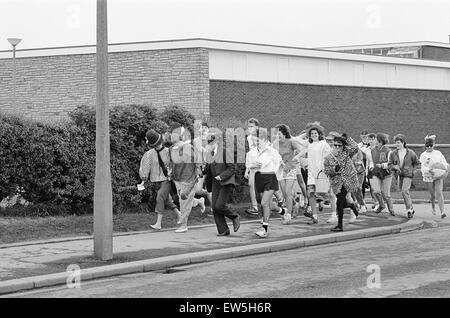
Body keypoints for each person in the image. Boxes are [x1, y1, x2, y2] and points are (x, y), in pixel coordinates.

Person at [139, 129, 182, 230]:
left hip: (166, 179)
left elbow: (174, 164)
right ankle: (180, 214)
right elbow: (145, 167)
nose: (157, 145)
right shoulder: (149, 154)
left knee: (160, 197)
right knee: (167, 200)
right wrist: (143, 177)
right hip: (156, 180)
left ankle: (158, 224)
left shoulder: (168, 152)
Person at [247, 128, 284, 238]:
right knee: (268, 204)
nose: (255, 143)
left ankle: (264, 229)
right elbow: (248, 165)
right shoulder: (251, 152)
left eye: (257, 140)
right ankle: (282, 211)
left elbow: (279, 163)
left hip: (270, 177)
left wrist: (275, 171)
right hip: (259, 177)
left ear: (264, 139)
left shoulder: (272, 151)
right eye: (254, 141)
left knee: (264, 203)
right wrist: (253, 166)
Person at [204, 133, 241, 236]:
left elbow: (232, 167)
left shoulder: (225, 151)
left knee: (220, 205)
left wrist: (221, 176)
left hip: (226, 182)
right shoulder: (210, 153)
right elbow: (210, 168)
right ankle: (223, 230)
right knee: (215, 207)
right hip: (215, 183)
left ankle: (234, 216)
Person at [323, 133, 360, 232]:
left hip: (348, 180)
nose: (337, 147)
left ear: (343, 146)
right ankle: (351, 205)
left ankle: (340, 225)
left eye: (339, 145)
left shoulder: (347, 153)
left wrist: (347, 138)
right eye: (335, 145)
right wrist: (334, 169)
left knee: (339, 201)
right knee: (343, 204)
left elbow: (355, 147)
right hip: (336, 182)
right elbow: (326, 171)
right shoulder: (328, 158)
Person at [168, 126, 202, 233]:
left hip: (188, 178)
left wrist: (198, 171)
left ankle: (183, 225)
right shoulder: (171, 149)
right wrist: (170, 171)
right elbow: (170, 162)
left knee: (184, 202)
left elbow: (197, 160)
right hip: (177, 178)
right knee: (184, 200)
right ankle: (199, 201)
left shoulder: (188, 147)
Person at [273, 124, 306, 224]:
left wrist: (297, 157)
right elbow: (273, 154)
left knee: (287, 192)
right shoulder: (275, 143)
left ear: (284, 133)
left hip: (291, 168)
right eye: (276, 134)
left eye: (279, 134)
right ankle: (294, 204)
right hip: (281, 169)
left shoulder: (291, 141)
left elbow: (303, 151)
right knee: (284, 193)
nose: (277, 136)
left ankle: (288, 215)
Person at [305, 122, 331, 224]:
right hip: (311, 173)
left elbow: (328, 157)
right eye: (312, 134)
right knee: (311, 194)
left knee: (325, 194)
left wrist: (325, 168)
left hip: (321, 173)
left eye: (315, 133)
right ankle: (314, 217)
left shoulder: (324, 144)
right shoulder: (309, 144)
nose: (314, 135)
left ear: (319, 134)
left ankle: (342, 208)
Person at [390, 134, 420, 218]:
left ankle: (409, 209)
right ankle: (411, 207)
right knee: (404, 193)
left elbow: (417, 163)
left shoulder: (410, 152)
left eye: (398, 142)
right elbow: (389, 164)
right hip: (399, 175)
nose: (397, 144)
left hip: (408, 175)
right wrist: (394, 167)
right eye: (396, 143)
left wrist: (414, 171)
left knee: (404, 191)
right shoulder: (393, 153)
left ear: (403, 142)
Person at [419, 135, 449, 218]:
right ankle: (433, 206)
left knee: (439, 192)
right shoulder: (423, 155)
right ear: (425, 146)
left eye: (431, 145)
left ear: (433, 145)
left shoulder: (438, 153)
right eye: (427, 146)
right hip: (429, 175)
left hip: (438, 175)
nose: (429, 147)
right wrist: (429, 170)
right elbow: (422, 166)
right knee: (433, 195)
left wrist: (446, 167)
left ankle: (442, 212)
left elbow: (444, 162)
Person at [367, 133, 396, 216]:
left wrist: (383, 165)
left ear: (380, 141)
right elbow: (371, 161)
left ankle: (391, 209)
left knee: (386, 194)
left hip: (386, 174)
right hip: (376, 173)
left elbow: (391, 163)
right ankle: (381, 205)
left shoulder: (388, 151)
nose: (374, 141)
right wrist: (371, 166)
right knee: (376, 191)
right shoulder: (372, 150)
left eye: (376, 139)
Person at [192, 121, 211, 213]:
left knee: (210, 187)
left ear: (208, 130)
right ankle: (205, 197)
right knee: (198, 190)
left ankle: (213, 209)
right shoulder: (196, 140)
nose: (203, 130)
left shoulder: (212, 140)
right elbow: (200, 150)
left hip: (211, 167)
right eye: (201, 128)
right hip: (200, 168)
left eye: (205, 128)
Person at [244, 118, 261, 216]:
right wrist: (247, 169)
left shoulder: (261, 136)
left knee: (266, 187)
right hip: (253, 163)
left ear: (257, 127)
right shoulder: (249, 137)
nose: (249, 128)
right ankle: (255, 207)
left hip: (262, 163)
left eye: (252, 126)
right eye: (248, 126)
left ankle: (280, 200)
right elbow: (250, 154)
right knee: (251, 184)